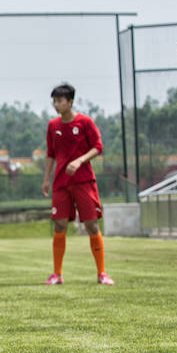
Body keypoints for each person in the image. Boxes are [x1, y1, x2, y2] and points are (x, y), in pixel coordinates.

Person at [41, 83, 114, 286]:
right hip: (61, 183)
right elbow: (50, 154)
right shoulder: (53, 126)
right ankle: (57, 274)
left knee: (91, 224)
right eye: (54, 101)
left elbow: (98, 147)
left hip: (84, 181)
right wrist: (47, 179)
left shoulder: (85, 122)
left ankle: (102, 273)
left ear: (70, 102)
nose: (56, 105)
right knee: (60, 224)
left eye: (60, 101)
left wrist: (79, 160)